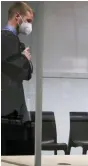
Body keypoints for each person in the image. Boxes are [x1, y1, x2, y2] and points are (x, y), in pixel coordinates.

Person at [1, 2, 34, 155]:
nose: (29, 25)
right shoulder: (5, 38)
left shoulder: (16, 42)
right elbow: (11, 69)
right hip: (7, 111)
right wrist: (23, 59)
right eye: (28, 21)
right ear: (17, 17)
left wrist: (24, 61)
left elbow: (27, 73)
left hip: (15, 108)